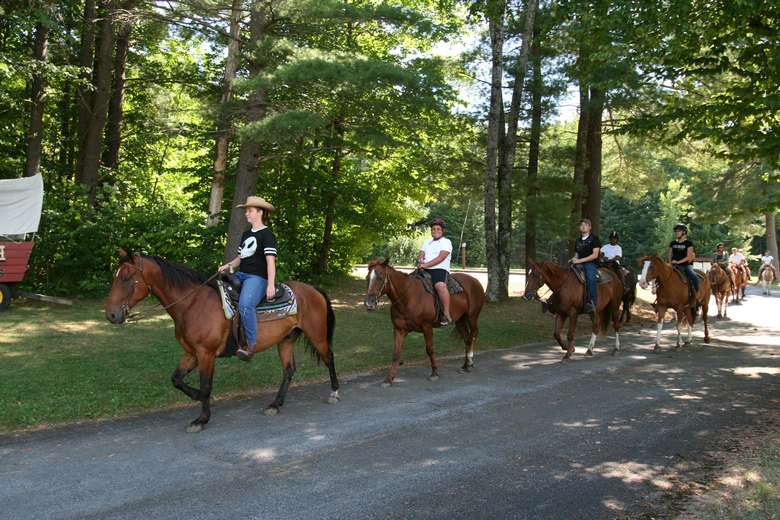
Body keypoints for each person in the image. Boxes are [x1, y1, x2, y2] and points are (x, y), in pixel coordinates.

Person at [218, 196, 277, 362]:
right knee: (218, 294)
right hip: (241, 274)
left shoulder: (267, 235)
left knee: (245, 304)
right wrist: (227, 266)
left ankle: (251, 345)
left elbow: (270, 262)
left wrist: (270, 284)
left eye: (249, 210)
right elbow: (240, 258)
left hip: (257, 278)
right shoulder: (246, 234)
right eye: (246, 211)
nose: (246, 214)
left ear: (259, 212)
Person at [417, 218, 453, 325]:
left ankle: (446, 313)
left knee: (440, 286)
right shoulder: (426, 242)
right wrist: (420, 259)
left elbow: (441, 258)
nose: (435, 231)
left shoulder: (446, 242)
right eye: (433, 229)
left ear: (442, 231)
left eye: (438, 229)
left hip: (439, 269)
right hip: (424, 268)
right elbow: (421, 254)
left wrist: (425, 264)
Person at [571, 218, 601, 314]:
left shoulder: (594, 239)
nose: (583, 226)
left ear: (590, 227)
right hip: (579, 262)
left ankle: (592, 302)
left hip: (590, 263)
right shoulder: (578, 240)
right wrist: (574, 259)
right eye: (582, 225)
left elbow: (595, 255)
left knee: (590, 278)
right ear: (580, 228)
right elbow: (577, 254)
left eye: (586, 225)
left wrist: (579, 260)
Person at [668, 223, 699, 309]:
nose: (677, 233)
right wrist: (670, 262)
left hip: (686, 265)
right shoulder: (672, 243)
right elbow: (670, 255)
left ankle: (695, 297)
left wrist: (678, 262)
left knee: (694, 277)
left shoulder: (688, 243)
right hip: (673, 265)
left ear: (684, 232)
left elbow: (689, 257)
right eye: (676, 231)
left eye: (679, 231)